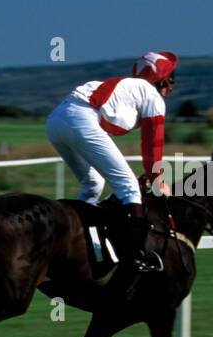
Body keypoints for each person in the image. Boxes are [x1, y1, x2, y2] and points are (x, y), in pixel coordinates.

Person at [45, 51, 178, 272]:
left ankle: (78, 243)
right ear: (164, 81)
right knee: (129, 188)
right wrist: (157, 180)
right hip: (82, 119)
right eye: (172, 79)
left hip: (57, 120)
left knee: (93, 184)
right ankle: (137, 257)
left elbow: (102, 142)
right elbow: (153, 144)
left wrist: (120, 173)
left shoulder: (128, 91)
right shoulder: (152, 96)